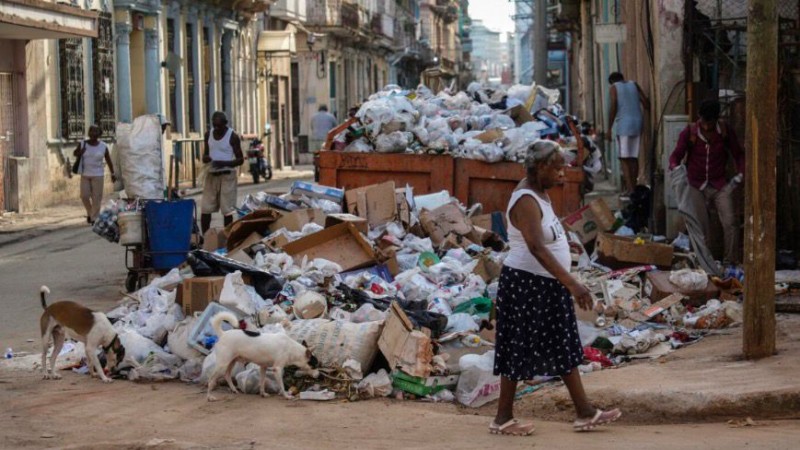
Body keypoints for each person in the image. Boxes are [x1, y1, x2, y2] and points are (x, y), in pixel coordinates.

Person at [490, 141, 622, 436]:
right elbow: (536, 247)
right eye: (558, 167)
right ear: (540, 168)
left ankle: (584, 412)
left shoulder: (541, 194)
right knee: (517, 347)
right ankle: (502, 418)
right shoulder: (525, 199)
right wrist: (572, 283)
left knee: (563, 345)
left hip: (545, 285)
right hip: (526, 284)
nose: (564, 173)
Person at [669, 99, 745, 267]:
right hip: (695, 184)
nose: (706, 126)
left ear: (716, 119)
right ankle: (706, 264)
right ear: (699, 118)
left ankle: (730, 262)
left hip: (719, 183)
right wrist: (675, 168)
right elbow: (675, 156)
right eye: (703, 121)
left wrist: (740, 174)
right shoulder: (689, 132)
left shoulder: (725, 131)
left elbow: (738, 154)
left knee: (730, 222)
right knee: (701, 227)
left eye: (710, 122)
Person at [606, 72, 650, 198]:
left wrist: (609, 127)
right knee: (633, 157)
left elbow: (614, 105)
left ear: (612, 81)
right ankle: (634, 187)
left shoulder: (614, 87)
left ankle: (630, 190)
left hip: (624, 124)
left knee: (624, 158)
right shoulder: (634, 84)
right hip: (637, 123)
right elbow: (646, 103)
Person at [201, 111, 244, 234]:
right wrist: (206, 159)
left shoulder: (232, 136)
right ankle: (206, 237)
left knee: (227, 210)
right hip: (211, 174)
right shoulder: (208, 135)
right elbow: (205, 154)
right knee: (205, 208)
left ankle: (227, 237)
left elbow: (240, 159)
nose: (217, 128)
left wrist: (223, 163)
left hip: (227, 175)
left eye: (219, 126)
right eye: (215, 126)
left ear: (226, 124)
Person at [73, 125, 117, 225]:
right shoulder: (83, 143)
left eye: (96, 132)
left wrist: (112, 173)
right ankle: (90, 212)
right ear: (89, 133)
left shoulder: (103, 146)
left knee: (97, 198)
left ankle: (94, 218)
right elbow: (75, 153)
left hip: (98, 175)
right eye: (91, 131)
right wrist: (80, 152)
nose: (93, 134)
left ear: (99, 134)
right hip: (85, 174)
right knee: (84, 196)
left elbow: (109, 161)